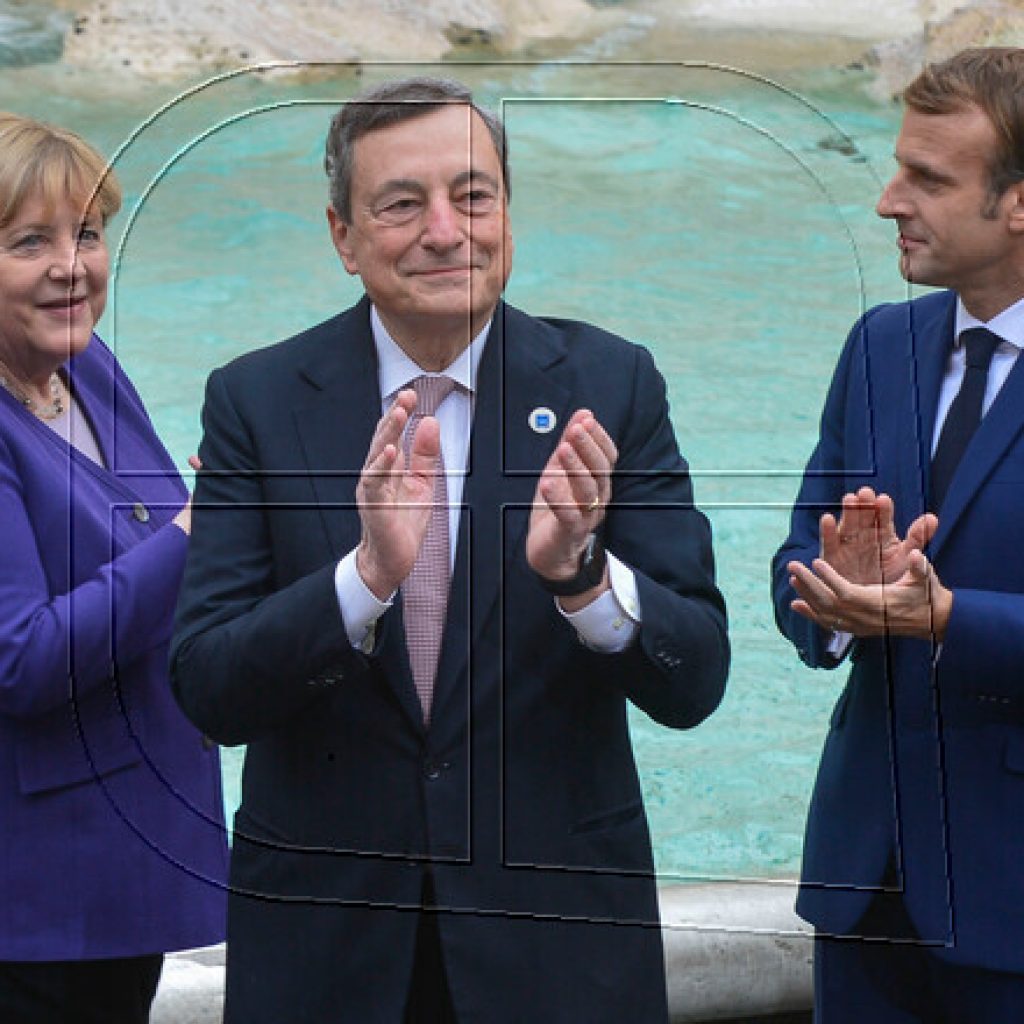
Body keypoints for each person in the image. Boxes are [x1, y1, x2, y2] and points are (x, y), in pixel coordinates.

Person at [170, 77, 729, 1023]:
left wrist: (582, 576)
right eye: (401, 204)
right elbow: (208, 688)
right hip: (325, 956)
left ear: (508, 211)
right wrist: (365, 580)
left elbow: (696, 678)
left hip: (558, 951)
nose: (445, 229)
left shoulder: (612, 384)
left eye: (473, 196)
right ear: (343, 236)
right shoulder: (255, 402)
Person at [772, 47, 1024, 1022]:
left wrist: (946, 616)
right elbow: (800, 551)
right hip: (862, 888)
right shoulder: (877, 345)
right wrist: (832, 598)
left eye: (927, 178)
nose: (887, 201)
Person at [0, 113, 228, 1023]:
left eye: (87, 233)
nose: (73, 265)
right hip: (37, 907)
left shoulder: (88, 369)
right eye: (30, 241)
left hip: (123, 878)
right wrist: (193, 532)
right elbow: (20, 659)